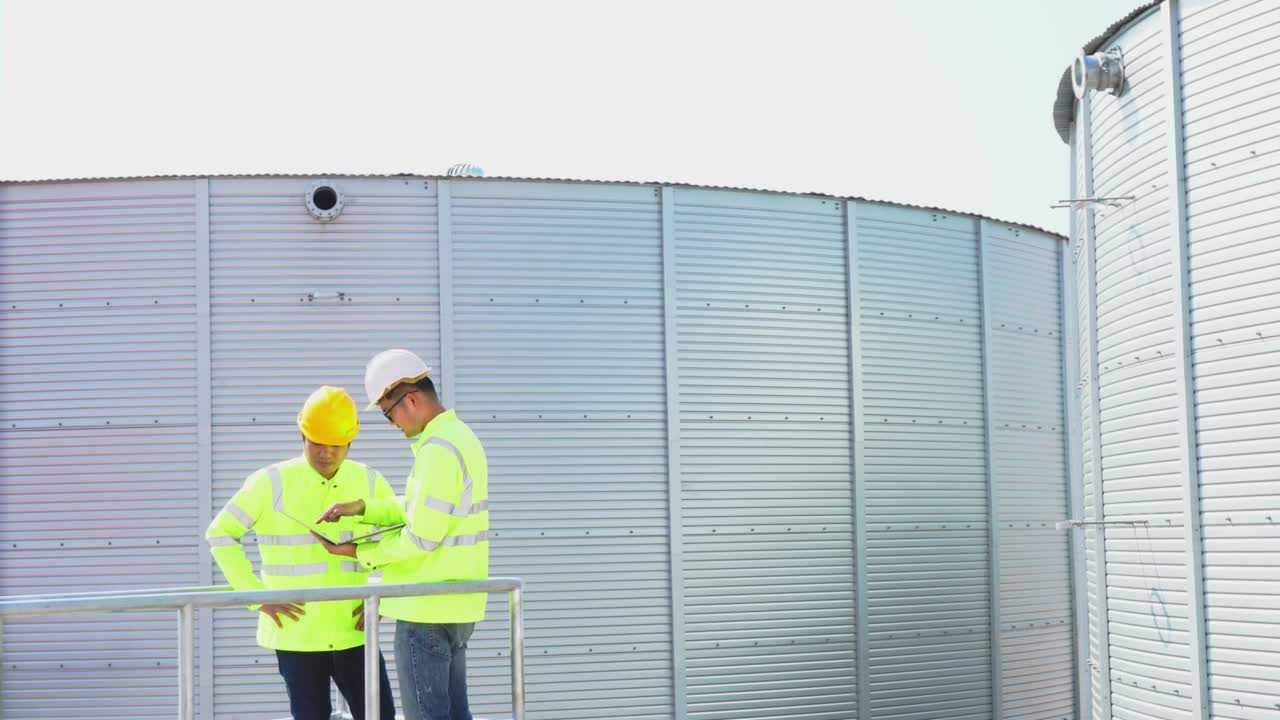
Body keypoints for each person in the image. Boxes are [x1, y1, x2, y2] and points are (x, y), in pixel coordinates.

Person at [313, 349, 490, 720]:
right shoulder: (461, 437)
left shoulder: (437, 450)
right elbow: (422, 507)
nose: (391, 423)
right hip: (456, 603)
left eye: (387, 413)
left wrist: (359, 553)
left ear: (410, 400)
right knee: (456, 713)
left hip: (425, 610)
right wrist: (363, 507)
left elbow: (421, 537)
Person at [205, 386, 398, 720]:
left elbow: (403, 541)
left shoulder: (370, 482)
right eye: (317, 442)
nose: (326, 453)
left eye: (335, 444)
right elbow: (220, 533)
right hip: (297, 634)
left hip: (353, 631)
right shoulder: (269, 482)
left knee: (380, 715)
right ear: (302, 436)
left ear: (350, 441)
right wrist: (255, 596)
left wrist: (385, 600)